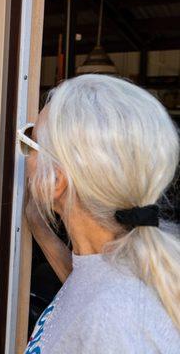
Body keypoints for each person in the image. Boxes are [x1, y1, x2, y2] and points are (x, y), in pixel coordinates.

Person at [19, 74, 180, 353]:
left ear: (57, 181)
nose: (23, 155)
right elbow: (85, 291)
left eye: (29, 142)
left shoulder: (117, 319)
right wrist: (37, 224)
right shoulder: (112, 266)